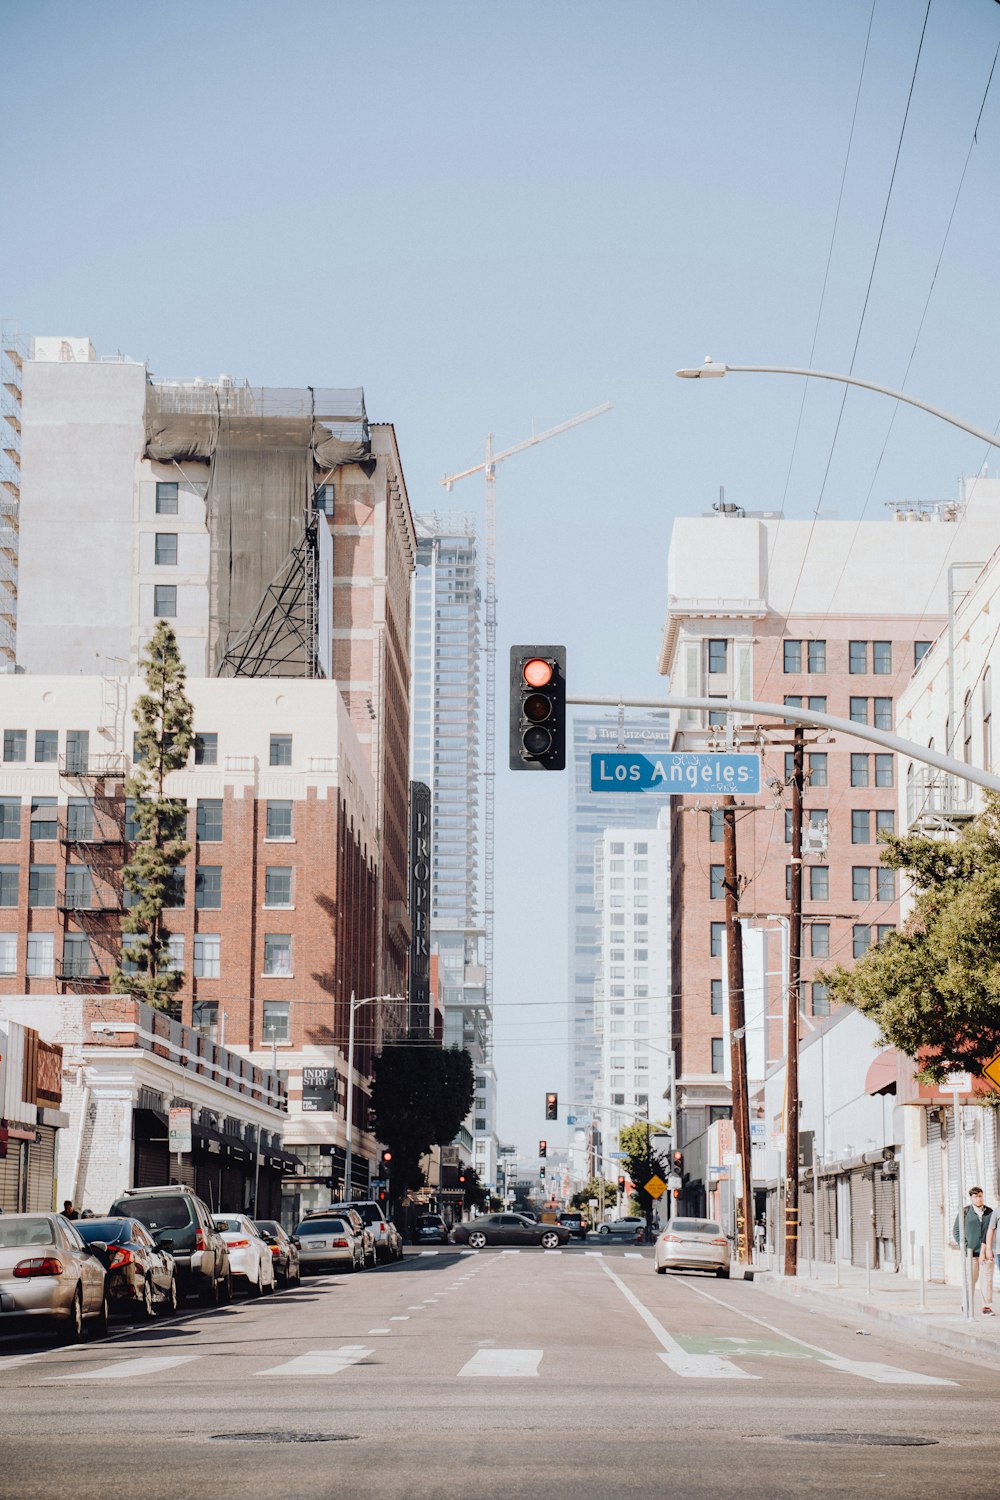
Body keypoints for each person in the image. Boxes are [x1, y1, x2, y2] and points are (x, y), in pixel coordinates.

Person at [952, 1186, 993, 1314]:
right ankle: (966, 1304)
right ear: (971, 1198)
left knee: (987, 1280)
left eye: (980, 1196)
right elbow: (956, 1231)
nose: (978, 1198)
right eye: (975, 1196)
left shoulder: (989, 1212)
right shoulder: (965, 1212)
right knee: (970, 1280)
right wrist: (965, 1245)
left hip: (986, 1253)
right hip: (971, 1253)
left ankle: (986, 1307)